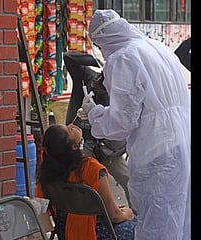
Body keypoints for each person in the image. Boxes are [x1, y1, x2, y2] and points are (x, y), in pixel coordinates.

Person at [81, 9, 191, 240]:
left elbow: (122, 122)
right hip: (183, 142)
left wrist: (95, 115)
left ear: (103, 41)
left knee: (157, 222)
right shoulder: (157, 47)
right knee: (180, 217)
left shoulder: (122, 58)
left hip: (156, 148)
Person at [35, 123, 137, 240]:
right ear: (74, 146)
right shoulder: (92, 169)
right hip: (95, 233)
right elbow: (114, 216)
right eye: (69, 129)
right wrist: (127, 213)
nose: (72, 125)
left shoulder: (47, 173)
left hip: (65, 232)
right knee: (141, 226)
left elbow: (42, 210)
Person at [63, 51, 133, 210]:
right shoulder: (88, 77)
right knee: (81, 180)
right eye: (100, 78)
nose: (98, 84)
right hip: (84, 142)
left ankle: (137, 218)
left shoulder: (120, 92)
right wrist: (97, 61)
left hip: (109, 148)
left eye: (104, 83)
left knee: (130, 182)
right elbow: (69, 58)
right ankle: (85, 215)